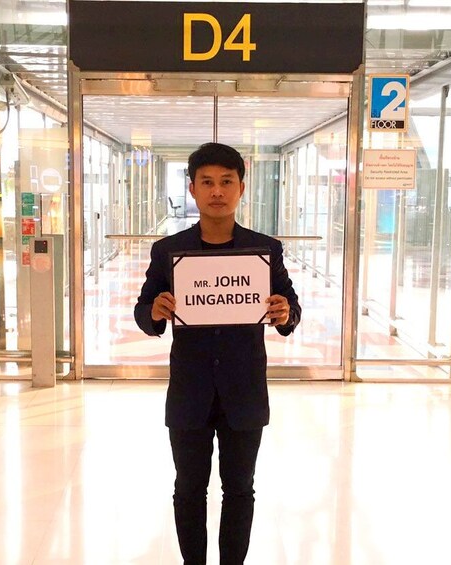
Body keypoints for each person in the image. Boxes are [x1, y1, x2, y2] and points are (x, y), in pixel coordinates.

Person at [134, 142, 301, 565]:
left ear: (241, 188)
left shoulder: (264, 250)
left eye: (227, 182)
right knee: (188, 489)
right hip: (190, 391)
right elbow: (143, 308)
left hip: (243, 391)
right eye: (207, 182)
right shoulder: (169, 250)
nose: (217, 191)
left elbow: (290, 306)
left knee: (240, 489)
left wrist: (284, 312)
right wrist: (154, 312)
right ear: (191, 189)